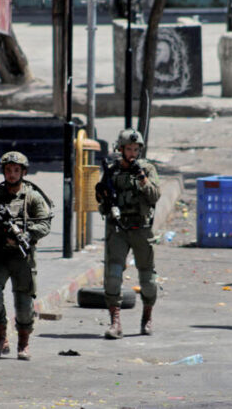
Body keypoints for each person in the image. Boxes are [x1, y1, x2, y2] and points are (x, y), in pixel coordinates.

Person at [0, 152, 52, 360]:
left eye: (16, 170)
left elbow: (45, 223)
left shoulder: (32, 196)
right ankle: (0, 339)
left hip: (22, 257)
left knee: (24, 305)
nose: (12, 174)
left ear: (23, 172)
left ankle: (23, 343)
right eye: (8, 170)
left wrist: (26, 234)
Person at [94, 129, 161, 339]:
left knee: (148, 279)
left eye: (135, 149)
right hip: (118, 229)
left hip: (141, 229)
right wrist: (102, 195)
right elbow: (102, 203)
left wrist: (142, 179)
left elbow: (155, 196)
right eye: (128, 149)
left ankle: (147, 316)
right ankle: (115, 322)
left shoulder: (148, 169)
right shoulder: (112, 171)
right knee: (113, 276)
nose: (132, 153)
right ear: (120, 150)